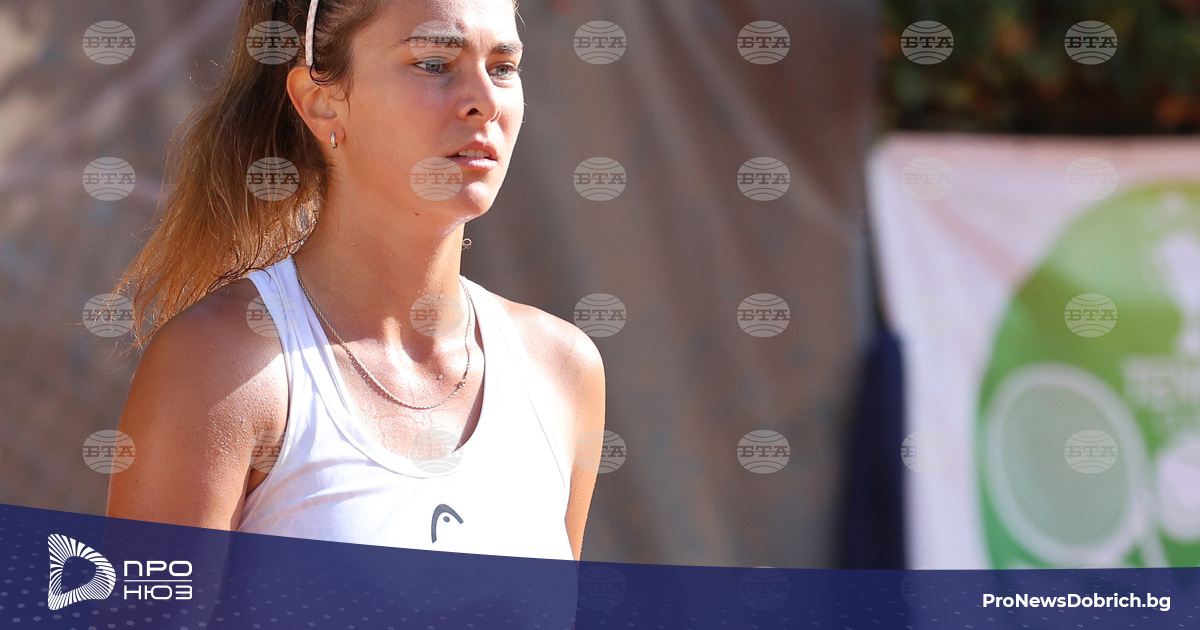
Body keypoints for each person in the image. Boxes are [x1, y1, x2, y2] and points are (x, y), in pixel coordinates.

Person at [106, 0, 606, 563]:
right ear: (321, 103)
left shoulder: (562, 370)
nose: (485, 102)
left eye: (503, 67)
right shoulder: (219, 366)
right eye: (434, 64)